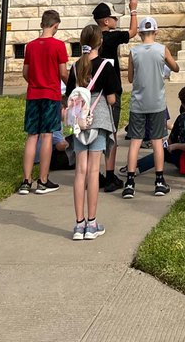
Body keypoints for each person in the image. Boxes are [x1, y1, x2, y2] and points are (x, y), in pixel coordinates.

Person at [64, 22, 117, 240]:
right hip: (98, 119)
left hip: (78, 121)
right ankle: (92, 223)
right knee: (94, 172)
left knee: (80, 171)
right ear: (100, 42)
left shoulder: (76, 67)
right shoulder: (106, 66)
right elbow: (112, 99)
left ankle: (79, 224)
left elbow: (68, 95)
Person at [121, 16, 179, 199]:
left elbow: (131, 78)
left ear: (139, 33)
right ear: (156, 31)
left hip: (138, 103)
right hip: (157, 103)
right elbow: (175, 68)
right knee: (157, 141)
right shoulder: (162, 49)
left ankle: (130, 183)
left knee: (135, 142)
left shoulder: (134, 52)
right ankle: (159, 181)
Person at [19, 8, 69, 195]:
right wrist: (71, 87)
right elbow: (63, 72)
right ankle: (43, 180)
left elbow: (25, 72)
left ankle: (26, 181)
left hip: (33, 95)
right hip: (51, 95)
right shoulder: (58, 46)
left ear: (42, 24)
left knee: (32, 136)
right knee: (47, 135)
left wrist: (34, 83)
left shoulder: (30, 46)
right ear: (56, 26)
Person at [93, 0, 139, 192]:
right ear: (106, 21)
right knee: (111, 134)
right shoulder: (111, 37)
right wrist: (133, 10)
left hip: (94, 93)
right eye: (113, 18)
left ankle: (94, 174)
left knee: (96, 134)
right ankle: (110, 176)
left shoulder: (91, 37)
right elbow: (133, 32)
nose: (116, 20)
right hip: (111, 92)